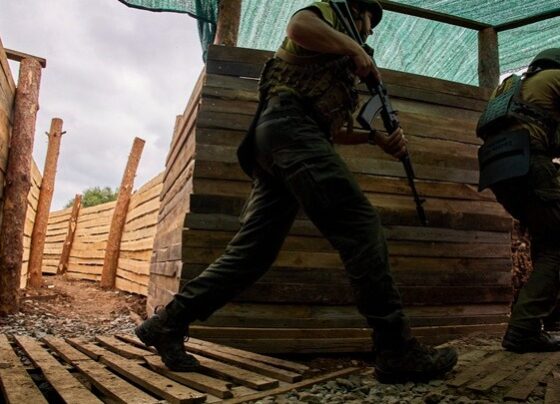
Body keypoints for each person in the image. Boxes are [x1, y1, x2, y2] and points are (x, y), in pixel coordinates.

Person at [136, 0, 457, 383]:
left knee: (253, 252)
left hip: (282, 137)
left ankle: (167, 323)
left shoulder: (334, 58)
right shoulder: (330, 14)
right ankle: (396, 349)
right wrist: (353, 48)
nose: (370, 32)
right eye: (369, 22)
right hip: (290, 129)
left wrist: (376, 139)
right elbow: (298, 26)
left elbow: (330, 129)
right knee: (360, 227)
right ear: (357, 12)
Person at [476, 48, 560, 352]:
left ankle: (537, 323)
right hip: (529, 163)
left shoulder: (514, 89)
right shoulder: (557, 78)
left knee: (547, 239)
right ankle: (525, 329)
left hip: (498, 170)